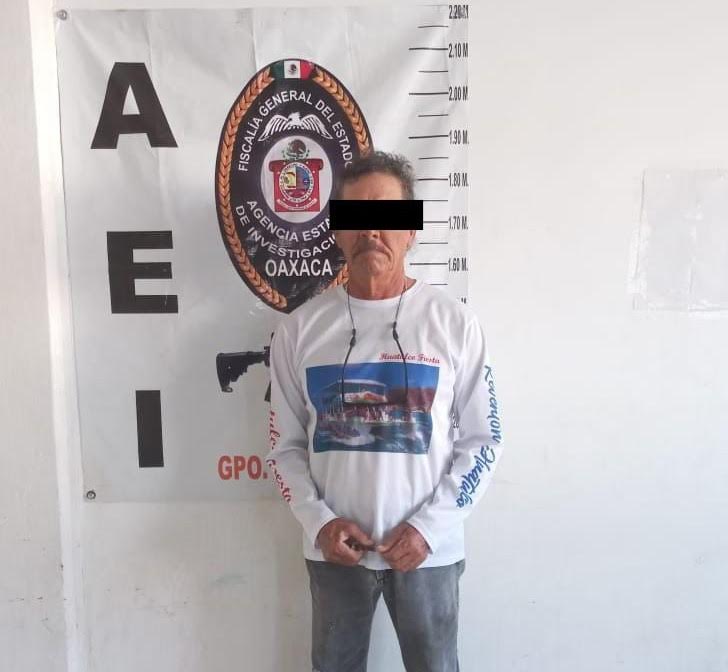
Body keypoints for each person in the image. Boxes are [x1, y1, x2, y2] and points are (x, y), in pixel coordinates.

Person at [265, 151, 504, 672]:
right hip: (334, 552)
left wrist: (429, 528)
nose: (371, 231)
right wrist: (319, 523)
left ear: (411, 229)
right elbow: (283, 448)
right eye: (356, 215)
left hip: (428, 553)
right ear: (337, 229)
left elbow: (484, 441)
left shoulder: (455, 324)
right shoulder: (299, 331)